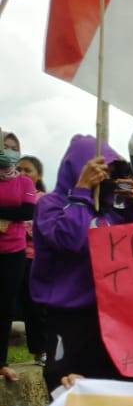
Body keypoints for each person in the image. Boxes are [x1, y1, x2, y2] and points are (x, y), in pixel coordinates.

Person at [31, 135, 133, 387]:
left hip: (107, 316)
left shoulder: (110, 209)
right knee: (65, 388)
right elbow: (71, 240)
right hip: (67, 316)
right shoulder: (51, 205)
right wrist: (81, 191)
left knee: (102, 387)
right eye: (101, 170)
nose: (106, 176)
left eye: (111, 170)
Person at [0, 132, 36, 380]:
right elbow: (18, 210)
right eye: (5, 146)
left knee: (4, 306)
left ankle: (0, 362)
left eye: (14, 147)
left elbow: (26, 211)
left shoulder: (24, 182)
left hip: (13, 251)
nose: (10, 151)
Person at [15, 156, 49, 365]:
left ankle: (41, 350)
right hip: (13, 256)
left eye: (28, 170)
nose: (22, 174)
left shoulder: (44, 200)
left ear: (39, 176)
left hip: (35, 259)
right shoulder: (9, 197)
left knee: (36, 307)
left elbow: (45, 229)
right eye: (19, 169)